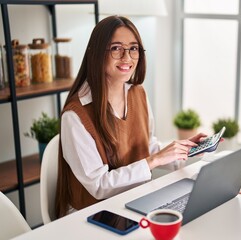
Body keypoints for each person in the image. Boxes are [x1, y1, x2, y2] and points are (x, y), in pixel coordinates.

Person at [55, 16, 206, 218]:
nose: (127, 57)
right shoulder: (75, 116)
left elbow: (148, 147)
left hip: (134, 200)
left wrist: (184, 150)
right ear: (97, 53)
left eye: (133, 48)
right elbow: (99, 186)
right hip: (92, 213)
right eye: (116, 48)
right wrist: (154, 161)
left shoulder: (138, 93)